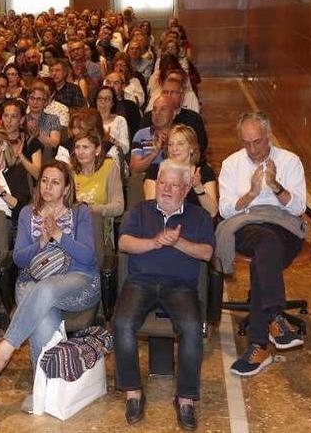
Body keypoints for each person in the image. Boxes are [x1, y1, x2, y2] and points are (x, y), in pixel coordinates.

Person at [0, 161, 101, 411]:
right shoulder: (27, 213)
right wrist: (41, 241)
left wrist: (59, 235)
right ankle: (43, 390)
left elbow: (89, 257)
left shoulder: (80, 213)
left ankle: (6, 347)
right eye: (44, 180)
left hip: (77, 279)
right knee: (43, 316)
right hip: (32, 278)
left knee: (44, 290)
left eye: (56, 182)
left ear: (67, 188)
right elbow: (20, 259)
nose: (48, 186)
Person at [114, 160, 214, 430]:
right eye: (162, 183)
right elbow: (123, 242)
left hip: (180, 286)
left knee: (192, 328)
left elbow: (206, 252)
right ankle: (133, 391)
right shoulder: (140, 211)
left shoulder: (198, 217)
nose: (166, 189)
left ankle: (185, 398)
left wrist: (178, 242)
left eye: (173, 185)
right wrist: (155, 242)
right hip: (140, 282)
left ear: (184, 189)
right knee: (122, 323)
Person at [219, 112, 307, 377]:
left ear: (268, 136)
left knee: (264, 257)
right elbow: (225, 210)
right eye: (246, 143)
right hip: (247, 225)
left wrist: (275, 186)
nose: (251, 149)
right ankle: (274, 318)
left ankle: (260, 346)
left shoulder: (290, 161)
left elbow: (300, 206)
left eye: (257, 142)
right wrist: (252, 193)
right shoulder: (231, 164)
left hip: (284, 227)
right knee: (265, 243)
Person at [144, 125, 217, 217]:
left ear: (192, 148)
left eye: (180, 144)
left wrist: (198, 187)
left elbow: (212, 212)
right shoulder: (155, 171)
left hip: (197, 225)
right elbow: (151, 209)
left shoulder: (205, 171)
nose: (174, 149)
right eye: (170, 144)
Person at [2, 99, 43, 178]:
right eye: (6, 115)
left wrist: (21, 155)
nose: (8, 120)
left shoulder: (31, 142)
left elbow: (37, 175)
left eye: (13, 116)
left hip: (23, 187)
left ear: (21, 120)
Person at [93, 86, 130, 156]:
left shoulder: (120, 120)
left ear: (112, 103)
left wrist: (110, 139)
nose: (103, 102)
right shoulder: (89, 120)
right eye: (100, 98)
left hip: (113, 160)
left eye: (107, 99)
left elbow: (126, 149)